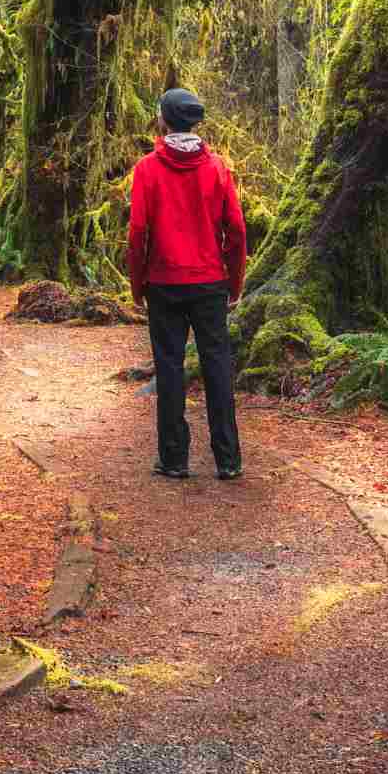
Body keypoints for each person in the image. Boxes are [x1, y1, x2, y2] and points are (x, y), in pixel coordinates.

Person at [124, 87, 248, 481]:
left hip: (164, 283)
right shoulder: (217, 168)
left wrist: (138, 284)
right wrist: (235, 282)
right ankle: (228, 460)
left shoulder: (147, 169)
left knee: (170, 368)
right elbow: (237, 230)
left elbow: (137, 233)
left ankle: (174, 458)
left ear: (164, 119)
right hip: (211, 282)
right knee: (216, 366)